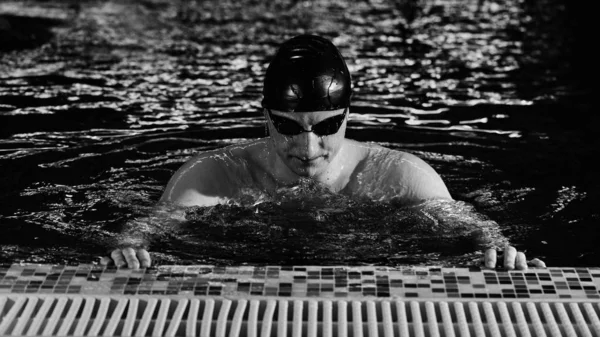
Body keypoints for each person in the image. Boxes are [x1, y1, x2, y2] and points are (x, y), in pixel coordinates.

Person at [103, 34, 545, 270]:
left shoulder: (398, 174)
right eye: (289, 128)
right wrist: (129, 248)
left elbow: (472, 227)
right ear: (266, 118)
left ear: (348, 115)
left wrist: (498, 251)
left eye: (326, 127)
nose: (308, 148)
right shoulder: (215, 175)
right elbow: (150, 227)